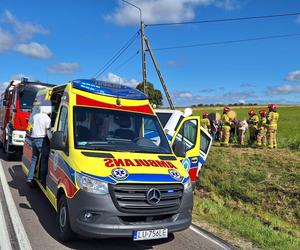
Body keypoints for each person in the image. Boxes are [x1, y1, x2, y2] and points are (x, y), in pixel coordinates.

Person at [26, 106, 51, 186]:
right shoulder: (47, 119)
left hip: (33, 139)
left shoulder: (35, 116)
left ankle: (29, 178)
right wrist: (52, 140)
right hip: (41, 140)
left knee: (34, 159)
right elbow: (48, 133)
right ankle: (42, 180)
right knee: (45, 158)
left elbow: (31, 125)